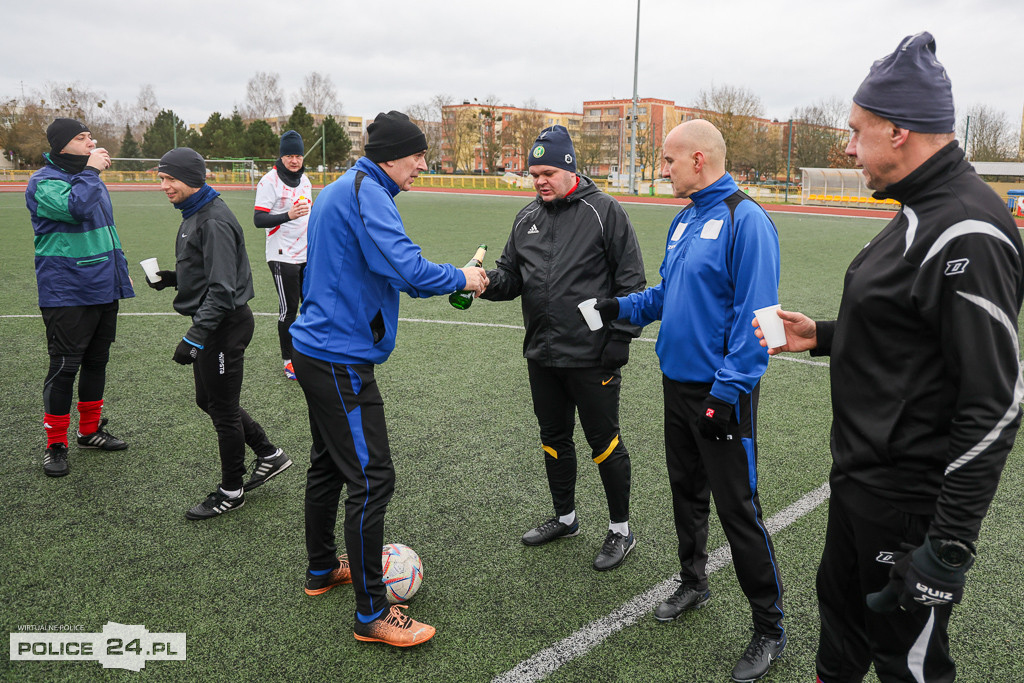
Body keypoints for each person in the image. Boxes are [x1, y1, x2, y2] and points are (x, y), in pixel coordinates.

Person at [755, 33, 1023, 682]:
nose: (846, 146)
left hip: (908, 504)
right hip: (858, 481)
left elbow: (995, 403)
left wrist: (949, 545)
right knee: (839, 639)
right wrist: (821, 333)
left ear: (899, 131)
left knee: (909, 664)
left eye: (856, 131)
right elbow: (907, 327)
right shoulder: (915, 208)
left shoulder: (969, 229)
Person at [289, 111, 488, 647]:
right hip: (338, 358)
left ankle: (320, 569)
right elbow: (404, 269)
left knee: (329, 465)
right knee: (372, 478)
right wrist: (463, 277)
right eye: (417, 155)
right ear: (390, 156)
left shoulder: (341, 188)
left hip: (320, 348)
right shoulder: (365, 192)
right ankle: (373, 614)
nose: (424, 164)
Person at [596, 119, 785, 682]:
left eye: (668, 160)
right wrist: (619, 308)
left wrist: (725, 395)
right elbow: (667, 295)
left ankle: (770, 627)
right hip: (674, 386)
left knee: (737, 510)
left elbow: (762, 322)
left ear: (699, 159)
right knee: (686, 494)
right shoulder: (685, 218)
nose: (663, 169)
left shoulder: (744, 221)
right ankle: (694, 582)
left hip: (721, 395)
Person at [479, 125, 646, 572]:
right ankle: (566, 518)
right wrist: (483, 283)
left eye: (548, 172)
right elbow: (510, 277)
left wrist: (619, 341)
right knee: (553, 440)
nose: (539, 181)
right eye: (534, 174)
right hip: (542, 354)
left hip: (592, 356)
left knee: (604, 442)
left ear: (570, 168)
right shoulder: (525, 217)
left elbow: (631, 282)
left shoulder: (605, 211)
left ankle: (620, 531)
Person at [149, 147, 292, 520]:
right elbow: (210, 272)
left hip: (224, 325)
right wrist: (175, 279)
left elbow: (223, 289)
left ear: (192, 179)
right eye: (162, 178)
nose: (164, 186)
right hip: (215, 322)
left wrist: (194, 337)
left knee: (223, 411)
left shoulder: (211, 220)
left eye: (170, 178)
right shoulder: (195, 212)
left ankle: (231, 491)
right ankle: (269, 454)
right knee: (208, 401)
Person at [26, 118, 135, 478]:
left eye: (90, 137)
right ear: (60, 146)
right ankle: (55, 444)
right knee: (64, 366)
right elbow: (76, 209)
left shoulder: (91, 179)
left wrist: (120, 270)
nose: (90, 143)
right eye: (81, 138)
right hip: (67, 290)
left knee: (96, 361)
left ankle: (89, 431)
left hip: (103, 285)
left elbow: (104, 228)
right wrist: (90, 172)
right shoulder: (43, 182)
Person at [253, 130, 312, 380]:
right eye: (289, 155)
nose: (294, 160)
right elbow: (259, 219)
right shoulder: (269, 181)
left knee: (311, 304)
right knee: (289, 309)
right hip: (281, 254)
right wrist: (288, 215)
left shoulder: (306, 181)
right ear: (281, 156)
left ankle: (309, 353)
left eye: (298, 155)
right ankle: (289, 360)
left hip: (306, 254)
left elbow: (309, 213)